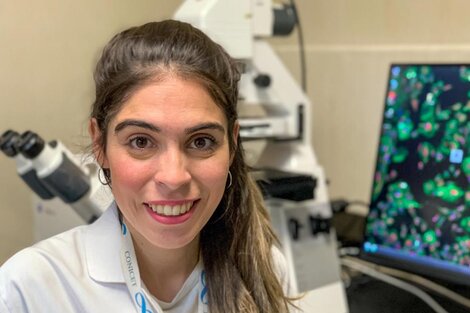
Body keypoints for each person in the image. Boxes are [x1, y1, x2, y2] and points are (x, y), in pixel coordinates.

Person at [0, 20, 296, 313]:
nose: (174, 176)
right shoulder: (30, 288)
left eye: (202, 142)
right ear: (100, 145)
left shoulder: (265, 270)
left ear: (232, 145)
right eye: (141, 142)